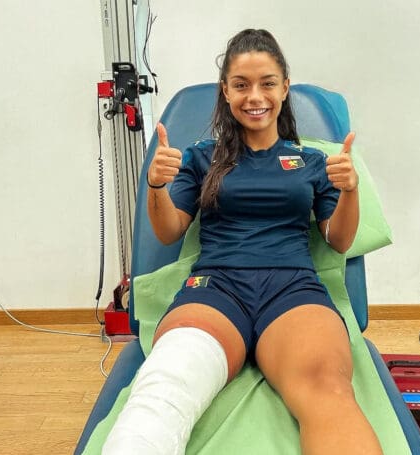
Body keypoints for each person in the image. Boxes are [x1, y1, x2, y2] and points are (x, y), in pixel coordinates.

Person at [103, 28, 383, 455]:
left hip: (294, 290)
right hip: (215, 288)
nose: (255, 97)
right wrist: (157, 186)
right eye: (241, 85)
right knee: (162, 392)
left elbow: (339, 241)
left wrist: (349, 190)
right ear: (226, 91)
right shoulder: (201, 157)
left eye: (267, 83)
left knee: (328, 391)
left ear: (284, 87)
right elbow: (169, 231)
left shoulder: (313, 162)